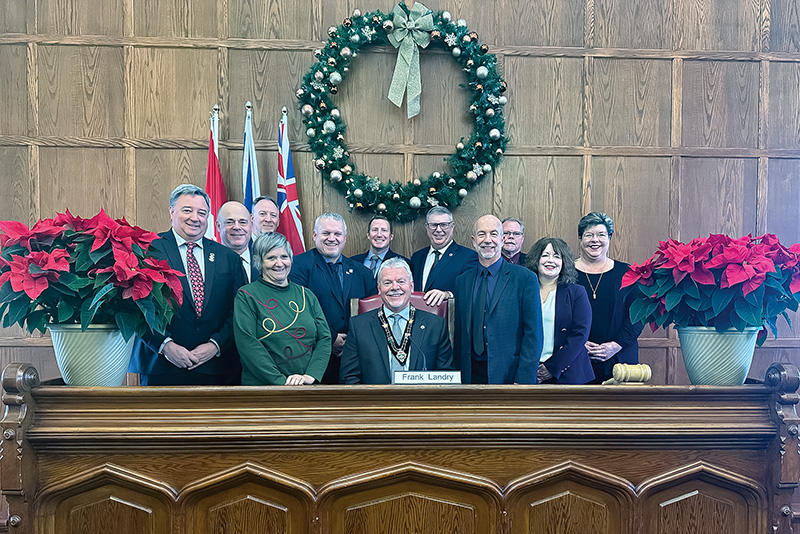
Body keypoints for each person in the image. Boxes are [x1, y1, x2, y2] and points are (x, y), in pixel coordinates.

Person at [130, 184, 247, 385]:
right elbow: (134, 307)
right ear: (171, 211)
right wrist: (165, 345)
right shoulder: (147, 250)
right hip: (161, 365)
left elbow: (239, 311)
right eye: (187, 210)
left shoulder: (228, 258)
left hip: (217, 368)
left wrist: (215, 345)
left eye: (202, 213)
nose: (195, 218)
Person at [453, 215, 543, 384]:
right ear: (473, 241)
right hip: (470, 376)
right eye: (481, 234)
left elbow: (533, 334)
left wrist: (523, 381)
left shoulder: (524, 279)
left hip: (509, 377)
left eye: (493, 234)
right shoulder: (462, 281)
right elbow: (460, 335)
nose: (487, 240)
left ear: (502, 240)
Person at [233, 232, 331, 385]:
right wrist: (282, 382)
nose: (279, 263)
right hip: (264, 388)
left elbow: (324, 338)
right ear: (259, 261)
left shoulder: (306, 295)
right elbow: (248, 344)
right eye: (271, 258)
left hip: (306, 387)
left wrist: (311, 375)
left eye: (284, 257)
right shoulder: (246, 295)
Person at [289, 213, 376, 383]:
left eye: (337, 234)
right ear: (315, 235)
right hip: (312, 359)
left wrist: (351, 341)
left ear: (345, 238)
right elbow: (299, 310)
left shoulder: (363, 273)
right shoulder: (297, 266)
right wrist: (331, 337)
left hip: (355, 359)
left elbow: (371, 314)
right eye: (326, 233)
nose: (332, 238)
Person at [339, 258, 453, 384]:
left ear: (411, 286)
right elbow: (348, 377)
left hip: (421, 396)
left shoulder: (435, 325)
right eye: (387, 282)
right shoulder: (359, 326)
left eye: (401, 281)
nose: (394, 287)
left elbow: (446, 376)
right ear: (379, 289)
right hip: (374, 396)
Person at [574, 212, 643, 383]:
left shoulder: (627, 273)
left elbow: (638, 315)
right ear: (580, 238)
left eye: (601, 234)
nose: (595, 240)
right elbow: (557, 316)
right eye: (589, 235)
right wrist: (577, 343)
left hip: (620, 358)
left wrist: (615, 345)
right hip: (574, 358)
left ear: (609, 238)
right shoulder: (565, 273)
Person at [525, 237, 594, 384]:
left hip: (567, 373)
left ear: (564, 262)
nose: (551, 261)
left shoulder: (576, 292)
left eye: (557, 256)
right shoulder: (523, 291)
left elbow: (580, 334)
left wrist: (552, 367)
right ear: (536, 260)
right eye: (545, 255)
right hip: (529, 371)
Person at [410, 207, 478, 307]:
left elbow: (471, 292)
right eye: (433, 225)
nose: (438, 230)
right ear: (427, 227)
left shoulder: (469, 257)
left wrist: (448, 295)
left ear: (452, 226)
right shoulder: (417, 257)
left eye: (444, 225)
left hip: (448, 315)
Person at [217, 201, 258, 282]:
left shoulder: (264, 260)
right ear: (218, 226)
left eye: (243, 222)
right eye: (229, 222)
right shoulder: (209, 262)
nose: (237, 227)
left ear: (251, 225)